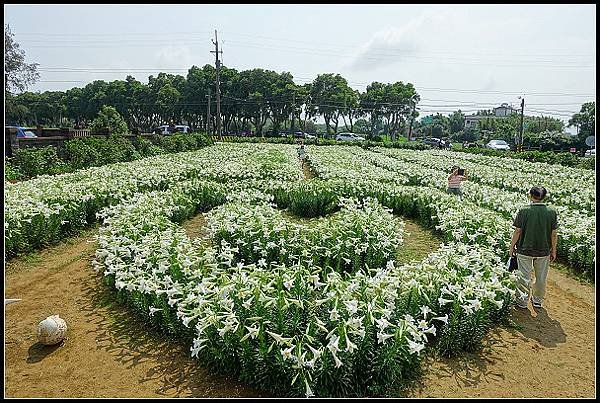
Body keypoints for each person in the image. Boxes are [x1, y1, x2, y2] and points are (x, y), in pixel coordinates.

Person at [509, 186, 558, 309]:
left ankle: (522, 301)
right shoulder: (552, 211)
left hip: (525, 249)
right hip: (543, 250)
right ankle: (537, 301)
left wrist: (511, 247)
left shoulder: (524, 210)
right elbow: (553, 234)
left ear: (530, 195)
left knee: (524, 276)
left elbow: (518, 231)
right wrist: (553, 250)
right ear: (544, 197)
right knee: (541, 277)